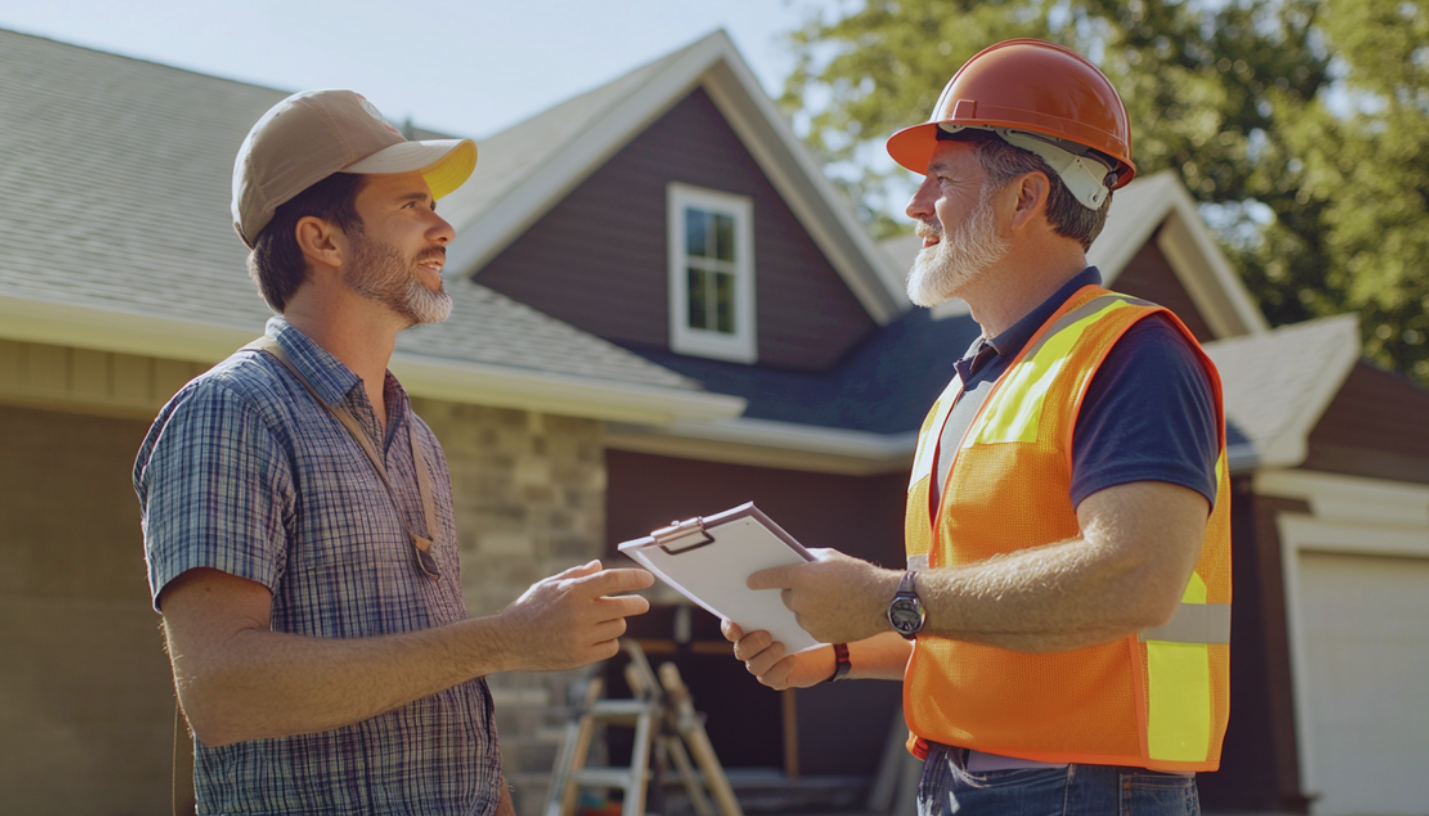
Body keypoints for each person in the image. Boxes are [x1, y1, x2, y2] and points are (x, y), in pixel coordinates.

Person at [723, 40, 1230, 814]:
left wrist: (883, 597)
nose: (912, 205)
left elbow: (1135, 577)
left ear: (1026, 198)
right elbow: (984, 618)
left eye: (940, 177)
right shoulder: (971, 385)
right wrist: (838, 652)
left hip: (1085, 790)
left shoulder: (1135, 353)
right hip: (976, 785)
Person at [134, 89, 654, 815]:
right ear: (324, 241)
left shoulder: (414, 437)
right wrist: (505, 640)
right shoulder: (230, 413)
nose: (442, 227)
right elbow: (223, 691)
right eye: (411, 206)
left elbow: (446, 700)